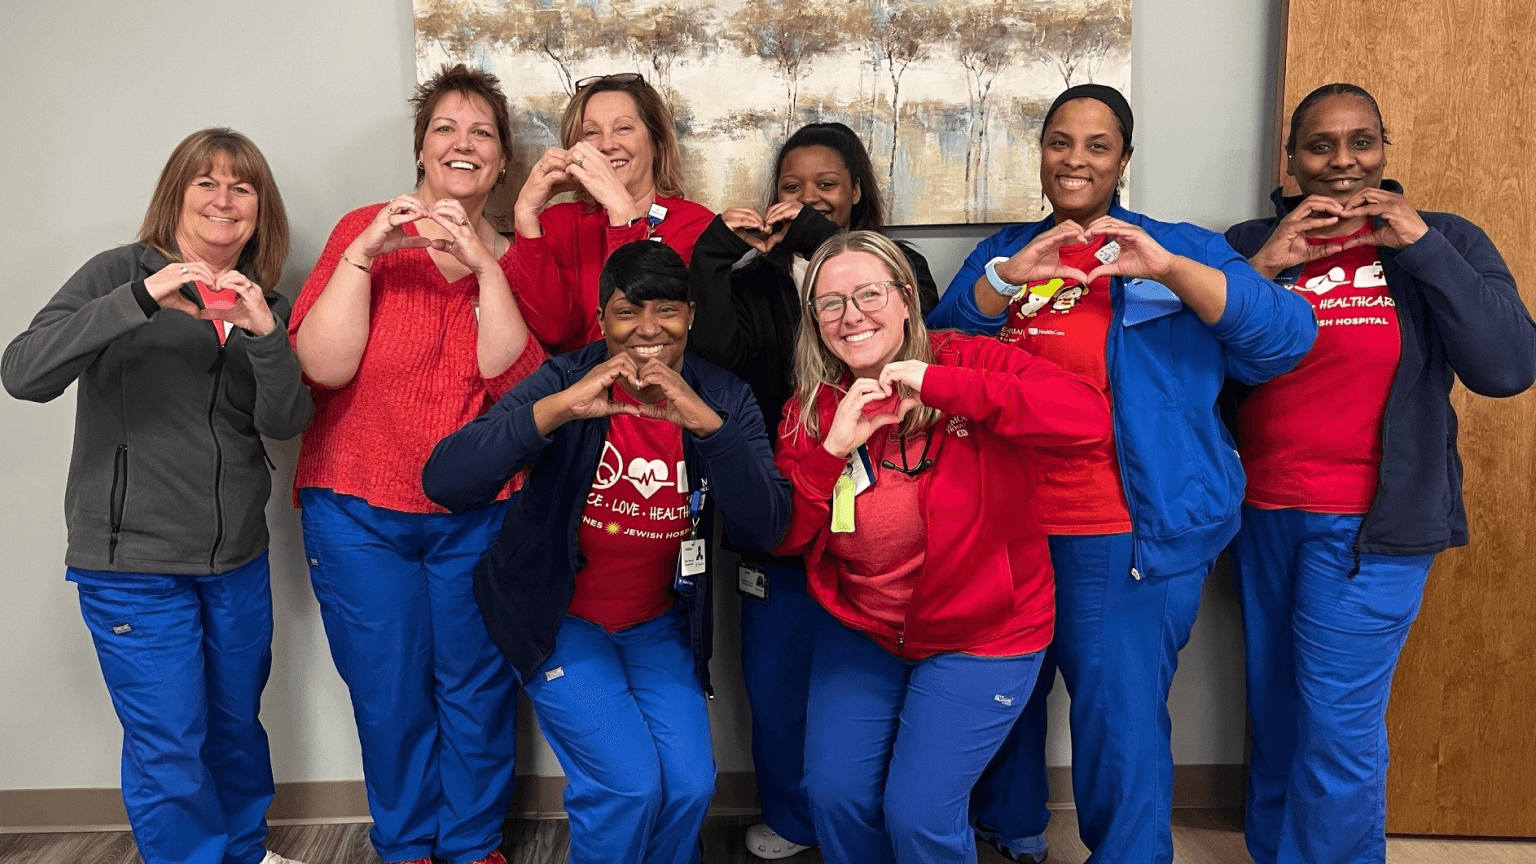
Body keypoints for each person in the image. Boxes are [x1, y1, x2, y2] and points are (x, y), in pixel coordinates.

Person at [928, 84, 1318, 864]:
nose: (1075, 160)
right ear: (1040, 152)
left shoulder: (1176, 245)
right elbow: (937, 348)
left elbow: (1284, 339)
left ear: (1125, 160)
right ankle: (1014, 839)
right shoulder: (1010, 246)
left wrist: (1169, 269)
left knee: (1118, 716)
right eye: (1059, 142)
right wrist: (1004, 279)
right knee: (1000, 699)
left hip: (1123, 527)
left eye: (1097, 145)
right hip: (1004, 526)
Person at [1223, 82, 1536, 864]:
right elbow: (1197, 374)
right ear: (1291, 159)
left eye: (1359, 141)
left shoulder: (1448, 240)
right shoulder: (1248, 239)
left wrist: (1420, 244)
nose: (1340, 161)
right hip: (1264, 515)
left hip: (1375, 526)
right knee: (1280, 713)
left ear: (1385, 149)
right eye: (1319, 146)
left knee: (1336, 727)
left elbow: (1508, 367)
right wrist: (1261, 266)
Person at [423, 241, 790, 864]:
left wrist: (707, 426)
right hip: (560, 622)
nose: (649, 330)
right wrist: (562, 409)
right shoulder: (567, 378)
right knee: (627, 787)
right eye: (628, 313)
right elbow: (447, 480)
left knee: (691, 786)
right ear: (602, 320)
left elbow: (767, 527)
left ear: (692, 316)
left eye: (668, 310)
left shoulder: (721, 397)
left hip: (655, 625)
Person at [2, 128, 311, 864]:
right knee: (170, 742)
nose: (224, 198)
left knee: (236, 724)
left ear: (260, 211)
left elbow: (284, 422)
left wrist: (266, 334)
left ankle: (242, 853)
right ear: (175, 195)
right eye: (206, 181)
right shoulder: (118, 274)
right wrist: (143, 297)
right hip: (131, 564)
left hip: (236, 558)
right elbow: (24, 372)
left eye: (242, 187)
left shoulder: (266, 301)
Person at [774, 230, 1114, 864]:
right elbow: (790, 534)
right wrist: (831, 451)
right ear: (813, 321)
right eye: (830, 303)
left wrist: (942, 386)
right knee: (833, 796)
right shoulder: (811, 406)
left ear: (906, 299)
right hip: (867, 633)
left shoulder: (969, 359)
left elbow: (1086, 419)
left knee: (919, 814)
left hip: (983, 634)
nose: (852, 316)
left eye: (869, 293)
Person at [288, 64, 545, 864]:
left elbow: (521, 384)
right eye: (446, 129)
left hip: (478, 512)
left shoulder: (516, 256)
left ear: (501, 162)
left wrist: (485, 266)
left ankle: (470, 846)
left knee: (476, 690)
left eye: (481, 133)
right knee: (389, 692)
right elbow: (321, 367)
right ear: (421, 150)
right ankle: (406, 845)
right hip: (358, 506)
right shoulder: (362, 230)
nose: (462, 144)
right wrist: (367, 251)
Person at [685, 120, 939, 860]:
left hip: (886, 510)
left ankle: (880, 819)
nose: (805, 199)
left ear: (856, 192)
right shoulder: (758, 278)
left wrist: (820, 240)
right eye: (790, 188)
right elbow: (713, 352)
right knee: (776, 680)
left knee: (870, 682)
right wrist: (714, 257)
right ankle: (794, 817)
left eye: (826, 186)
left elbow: (920, 313)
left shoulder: (897, 267)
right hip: (786, 499)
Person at [513, 72, 713, 353]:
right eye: (592, 133)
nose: (607, 145)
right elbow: (554, 331)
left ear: (657, 143)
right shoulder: (558, 222)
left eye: (623, 129)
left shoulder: (696, 225)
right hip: (574, 390)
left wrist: (623, 216)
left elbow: (640, 335)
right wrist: (524, 214)